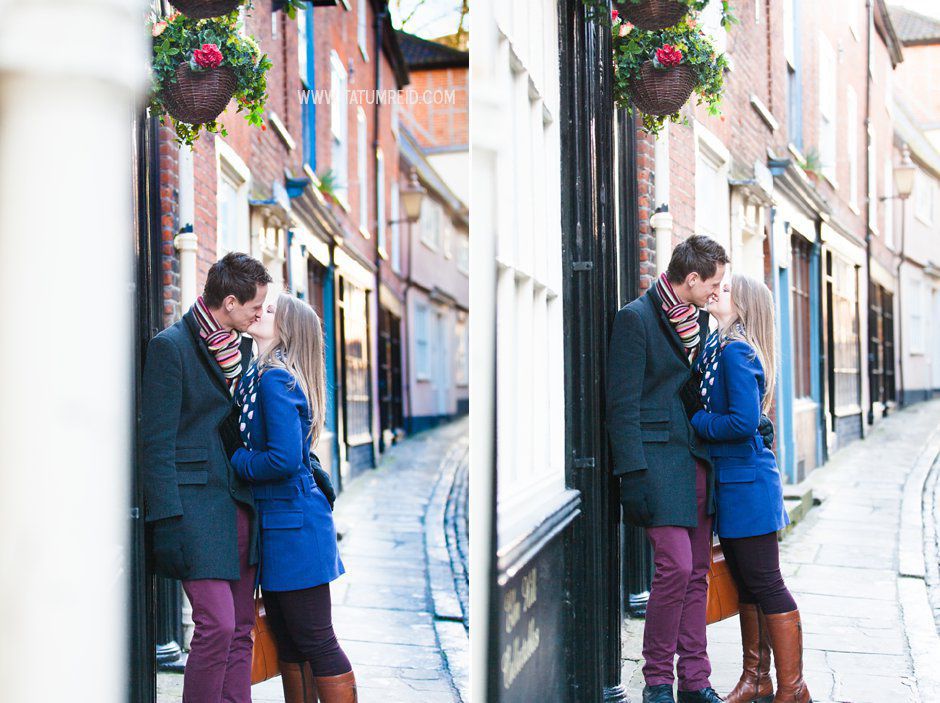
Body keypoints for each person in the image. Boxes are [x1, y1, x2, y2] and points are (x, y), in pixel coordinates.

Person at [141, 252, 272, 703]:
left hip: (240, 503)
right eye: (255, 305)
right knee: (215, 625)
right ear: (230, 302)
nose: (260, 314)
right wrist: (166, 522)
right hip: (194, 510)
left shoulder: (246, 349)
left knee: (241, 628)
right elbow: (156, 443)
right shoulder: (170, 347)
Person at [607, 235, 730, 703]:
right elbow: (621, 405)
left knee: (698, 572)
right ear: (691, 279)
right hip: (656, 465)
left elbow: (706, 389)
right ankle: (657, 679)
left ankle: (695, 681)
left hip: (698, 462)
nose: (718, 291)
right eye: (713, 283)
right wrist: (631, 474)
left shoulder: (701, 321)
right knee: (675, 568)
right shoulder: (635, 319)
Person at [224, 293, 355, 703]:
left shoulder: (276, 379)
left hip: (295, 529)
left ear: (287, 329)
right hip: (278, 527)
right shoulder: (256, 374)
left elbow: (283, 458)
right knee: (289, 638)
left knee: (316, 639)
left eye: (270, 309)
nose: (260, 309)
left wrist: (238, 461)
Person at [688, 275, 811, 703]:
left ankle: (793, 688)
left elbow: (741, 422)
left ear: (742, 306)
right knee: (745, 582)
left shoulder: (738, 352)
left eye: (725, 290)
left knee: (766, 581)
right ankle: (756, 679)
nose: (716, 291)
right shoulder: (715, 345)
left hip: (749, 487)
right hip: (733, 485)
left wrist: (699, 424)